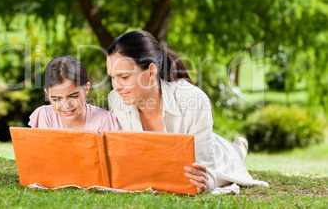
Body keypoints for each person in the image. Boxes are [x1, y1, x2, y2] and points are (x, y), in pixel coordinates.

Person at [106, 30, 268, 194]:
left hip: (216, 155)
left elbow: (208, 169)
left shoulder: (194, 100)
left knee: (232, 157)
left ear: (151, 72)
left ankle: (239, 148)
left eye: (124, 77)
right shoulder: (116, 100)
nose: (116, 86)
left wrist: (205, 181)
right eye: (112, 77)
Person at [29, 55, 119, 132]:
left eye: (73, 96)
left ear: (86, 89)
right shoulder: (44, 116)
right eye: (56, 99)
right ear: (47, 93)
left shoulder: (104, 120)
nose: (66, 106)